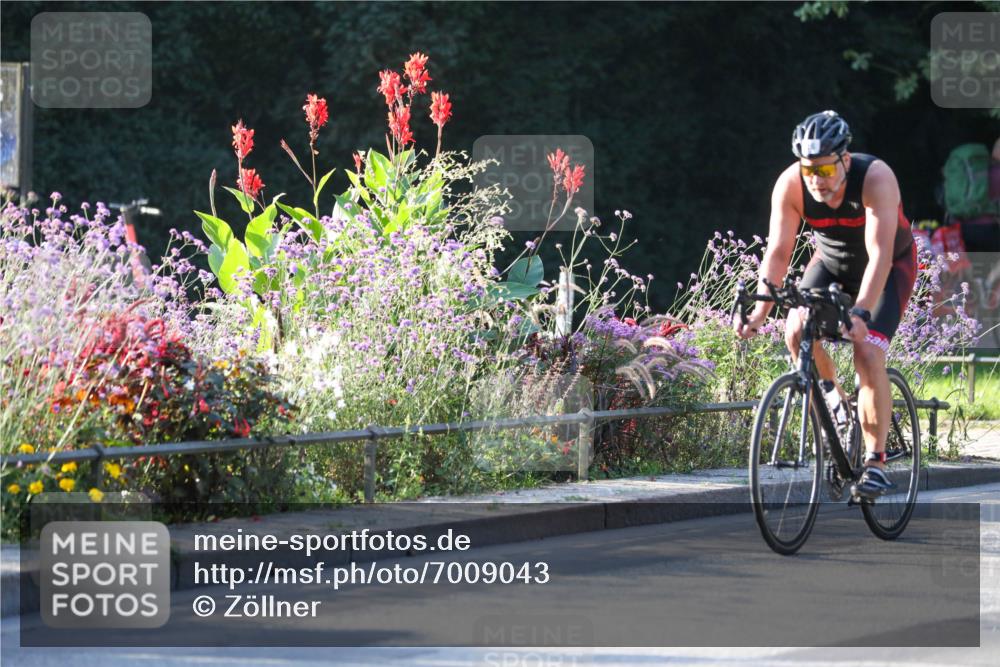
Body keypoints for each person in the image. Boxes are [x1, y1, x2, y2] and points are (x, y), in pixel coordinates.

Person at [734, 110, 917, 499]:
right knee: (795, 329)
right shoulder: (790, 184)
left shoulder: (876, 178)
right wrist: (760, 311)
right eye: (809, 171)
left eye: (826, 171)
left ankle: (875, 463)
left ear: (845, 161)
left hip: (887, 268)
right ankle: (836, 401)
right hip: (831, 263)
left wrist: (861, 312)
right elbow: (779, 252)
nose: (818, 180)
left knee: (867, 353)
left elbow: (880, 255)